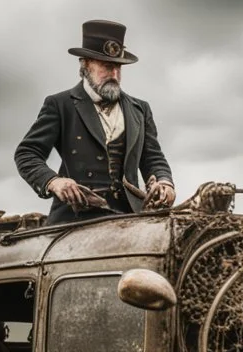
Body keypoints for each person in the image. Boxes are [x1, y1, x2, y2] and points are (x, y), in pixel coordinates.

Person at [14, 19, 176, 224]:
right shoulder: (60, 104)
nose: (115, 75)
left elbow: (153, 158)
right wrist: (54, 181)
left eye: (118, 67)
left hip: (131, 218)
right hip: (75, 219)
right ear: (85, 64)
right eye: (107, 67)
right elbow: (27, 154)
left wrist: (164, 182)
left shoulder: (140, 109)